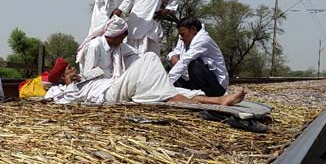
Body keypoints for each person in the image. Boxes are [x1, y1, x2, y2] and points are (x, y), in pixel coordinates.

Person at [46, 51, 245, 106]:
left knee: (169, 88)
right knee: (149, 58)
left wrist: (86, 76)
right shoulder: (61, 90)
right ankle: (189, 101)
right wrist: (70, 84)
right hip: (111, 94)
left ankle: (219, 100)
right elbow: (67, 100)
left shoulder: (82, 79)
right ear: (63, 77)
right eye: (70, 69)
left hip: (116, 84)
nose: (74, 69)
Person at [167, 18, 229, 96]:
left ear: (193, 29)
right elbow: (175, 51)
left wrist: (166, 82)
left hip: (216, 86)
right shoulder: (185, 39)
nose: (181, 38)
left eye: (183, 34)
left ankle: (203, 96)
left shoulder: (203, 40)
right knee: (172, 65)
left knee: (194, 64)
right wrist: (173, 56)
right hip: (192, 81)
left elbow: (185, 60)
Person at [78, 16, 140, 82]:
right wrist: (104, 72)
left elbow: (136, 53)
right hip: (97, 85)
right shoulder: (95, 46)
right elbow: (88, 73)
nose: (121, 41)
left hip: (111, 83)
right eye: (121, 38)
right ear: (113, 35)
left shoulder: (117, 45)